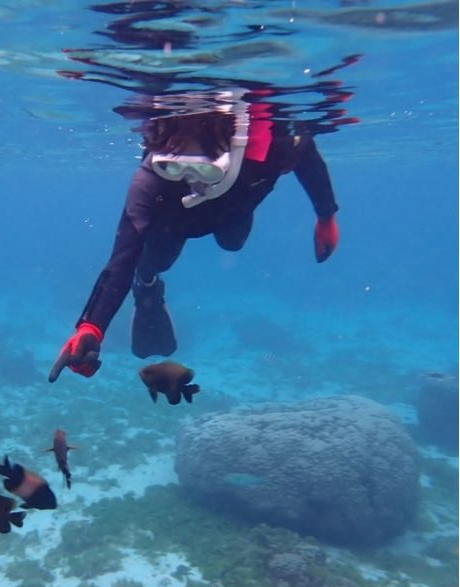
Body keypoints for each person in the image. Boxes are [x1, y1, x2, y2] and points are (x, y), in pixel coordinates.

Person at [48, 89, 340, 382]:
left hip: (235, 208)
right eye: (173, 168)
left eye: (205, 170)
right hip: (173, 221)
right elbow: (122, 258)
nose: (191, 180)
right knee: (155, 262)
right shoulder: (150, 180)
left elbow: (307, 155)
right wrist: (91, 327)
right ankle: (146, 286)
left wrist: (326, 215)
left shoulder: (276, 147)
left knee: (233, 242)